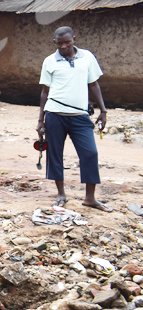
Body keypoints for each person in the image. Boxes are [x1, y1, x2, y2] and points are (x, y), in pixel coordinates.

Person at [37, 26, 111, 212]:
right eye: (59, 43)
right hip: (55, 115)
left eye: (67, 42)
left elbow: (93, 84)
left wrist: (103, 110)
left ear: (74, 39)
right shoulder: (49, 61)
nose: (63, 46)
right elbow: (45, 92)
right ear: (55, 43)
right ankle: (61, 194)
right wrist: (41, 120)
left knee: (90, 154)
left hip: (80, 115)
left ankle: (90, 198)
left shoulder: (87, 57)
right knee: (55, 155)